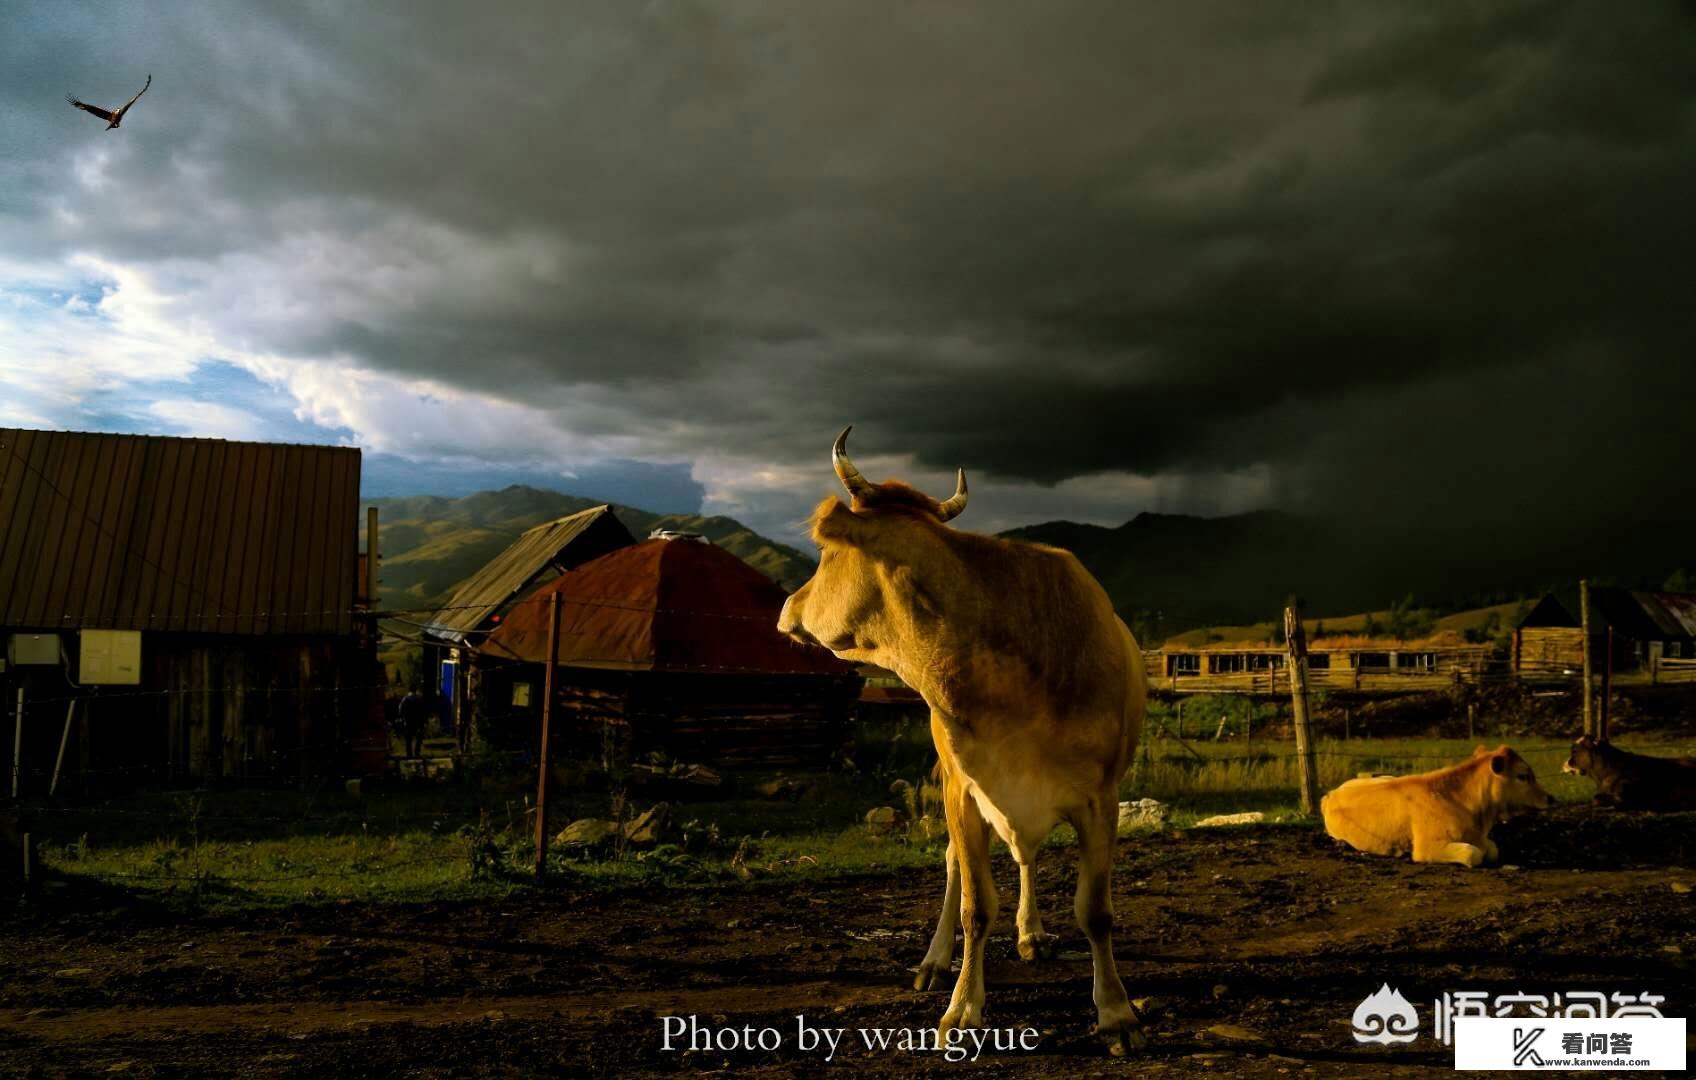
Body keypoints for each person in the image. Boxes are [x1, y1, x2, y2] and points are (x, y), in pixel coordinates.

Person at [398, 686, 428, 760]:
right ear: (416, 690)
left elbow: (400, 710)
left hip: (408, 721)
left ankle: (409, 754)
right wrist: (424, 721)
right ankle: (417, 753)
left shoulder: (405, 699)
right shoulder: (419, 699)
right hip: (418, 722)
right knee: (418, 738)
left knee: (408, 739)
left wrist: (403, 718)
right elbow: (423, 711)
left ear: (409, 690)